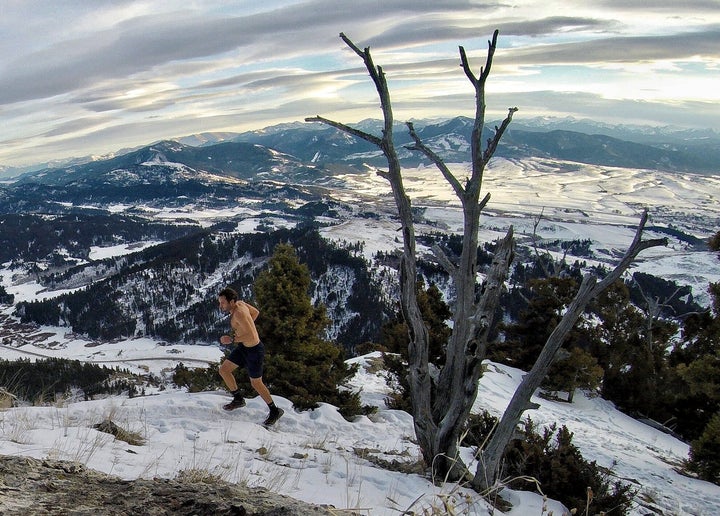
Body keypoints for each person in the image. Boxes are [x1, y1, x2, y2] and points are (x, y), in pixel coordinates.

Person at [217, 287, 283, 427]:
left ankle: (274, 410)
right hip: (244, 348)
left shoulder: (239, 313)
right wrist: (244, 330)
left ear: (232, 301)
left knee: (256, 383)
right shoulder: (241, 304)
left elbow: (252, 336)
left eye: (223, 302)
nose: (220, 305)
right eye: (220, 302)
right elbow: (255, 312)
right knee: (224, 370)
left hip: (254, 351)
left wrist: (232, 339)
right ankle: (238, 399)